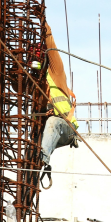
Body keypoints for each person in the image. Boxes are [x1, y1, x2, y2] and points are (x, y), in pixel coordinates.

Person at [39, 23, 79, 188]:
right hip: (48, 132)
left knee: (53, 122)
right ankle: (38, 160)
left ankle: (43, 158)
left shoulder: (55, 73)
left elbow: (52, 49)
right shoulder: (35, 86)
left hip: (66, 128)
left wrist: (45, 28)